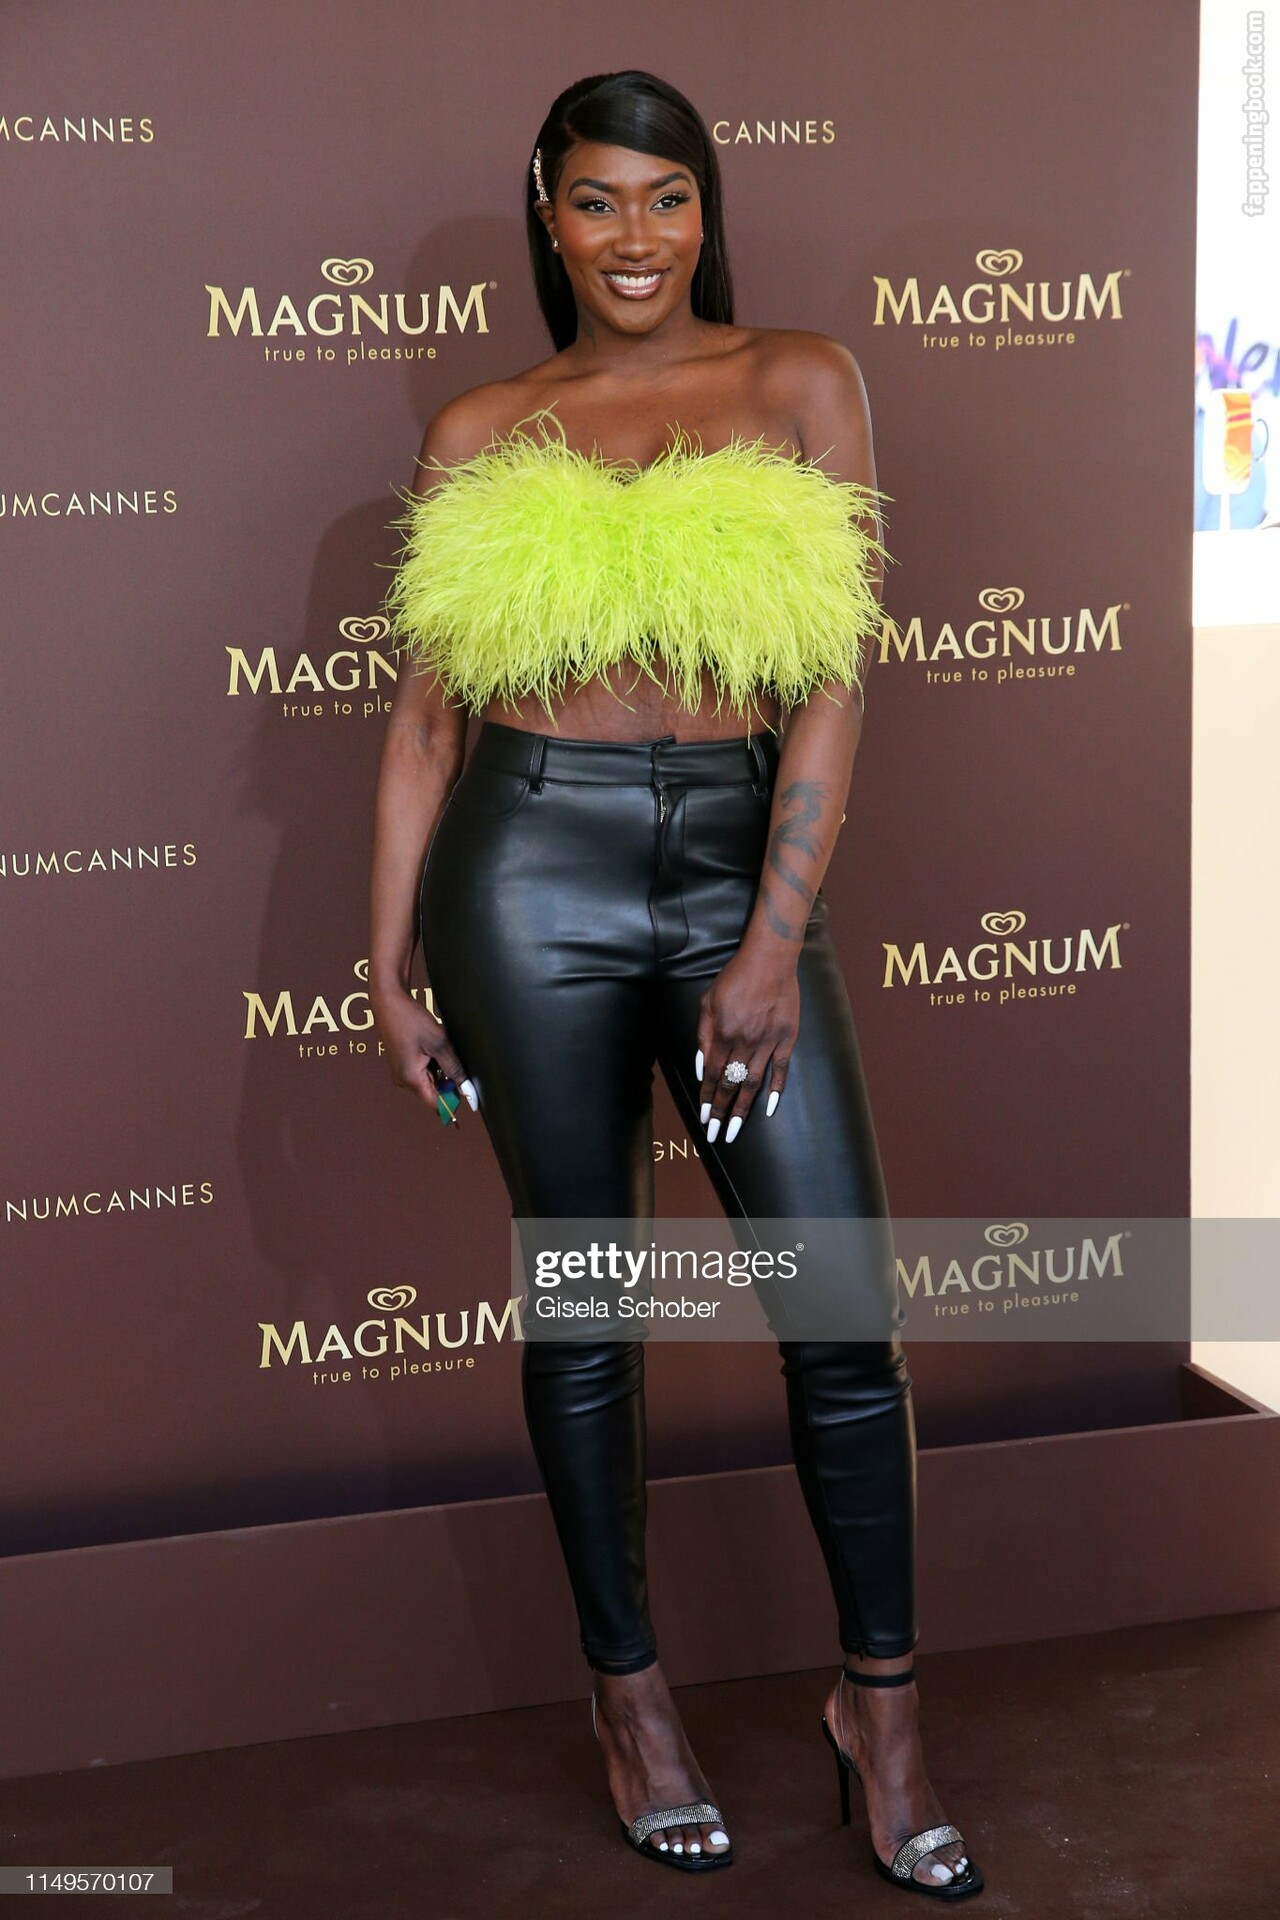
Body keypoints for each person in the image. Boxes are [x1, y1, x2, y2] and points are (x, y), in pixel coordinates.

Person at [369, 69, 982, 1899]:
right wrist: (386, 960)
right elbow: (425, 722)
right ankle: (630, 1706)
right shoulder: (484, 426)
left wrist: (774, 937)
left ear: (707, 211)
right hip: (523, 868)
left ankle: (883, 1717)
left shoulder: (802, 382)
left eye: (665, 199)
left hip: (733, 856)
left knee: (842, 1319)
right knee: (587, 1311)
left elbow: (835, 687)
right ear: (547, 217)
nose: (633, 238)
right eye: (595, 202)